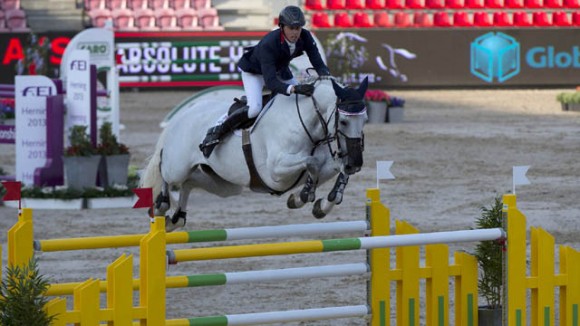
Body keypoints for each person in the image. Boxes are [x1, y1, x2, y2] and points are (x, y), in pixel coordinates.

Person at [199, 5, 331, 158]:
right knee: (255, 108)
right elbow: (271, 82)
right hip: (254, 73)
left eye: (298, 28)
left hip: (279, 69)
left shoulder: (305, 36)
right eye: (291, 28)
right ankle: (218, 130)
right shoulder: (270, 43)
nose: (295, 32)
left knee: (300, 100)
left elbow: (318, 62)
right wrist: (294, 89)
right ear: (281, 27)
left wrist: (327, 77)